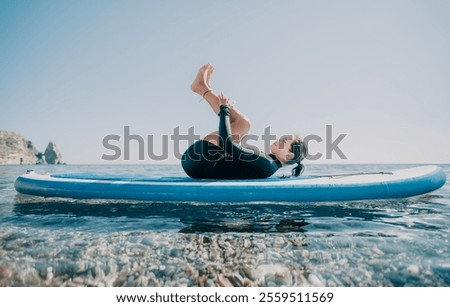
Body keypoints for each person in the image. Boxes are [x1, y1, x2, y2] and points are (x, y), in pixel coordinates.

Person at [181, 64, 307, 179]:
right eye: (282, 138)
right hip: (197, 164)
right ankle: (203, 88)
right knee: (243, 125)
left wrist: (224, 109)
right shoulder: (269, 164)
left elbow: (227, 145)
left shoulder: (266, 162)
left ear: (289, 156)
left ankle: (203, 88)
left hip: (198, 162)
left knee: (243, 124)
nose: (278, 139)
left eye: (283, 141)